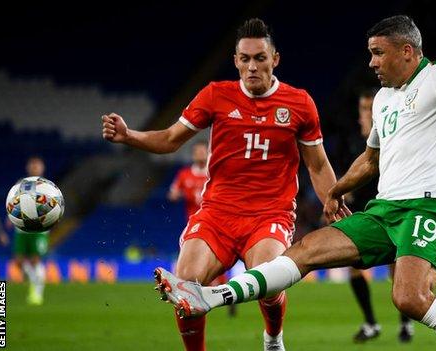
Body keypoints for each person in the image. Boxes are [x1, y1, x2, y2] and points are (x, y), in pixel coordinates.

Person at [154, 15, 436, 351]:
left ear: (406, 52)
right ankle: (211, 295)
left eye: (378, 52)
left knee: (409, 298)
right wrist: (335, 190)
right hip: (384, 211)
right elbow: (371, 158)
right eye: (370, 52)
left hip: (429, 208)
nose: (371, 62)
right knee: (305, 251)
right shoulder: (386, 102)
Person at [102, 18, 348, 351]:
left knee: (268, 278)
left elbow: (317, 164)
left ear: (275, 59)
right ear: (235, 61)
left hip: (270, 213)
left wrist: (331, 200)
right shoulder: (216, 95)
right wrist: (129, 135)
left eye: (260, 58)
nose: (252, 66)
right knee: (185, 284)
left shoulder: (299, 103)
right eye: (244, 59)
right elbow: (171, 138)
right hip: (218, 212)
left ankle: (273, 338)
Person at [347, 88, 414, 343]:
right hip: (364, 210)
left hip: (391, 206)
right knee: (354, 267)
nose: (366, 114)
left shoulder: (393, 134)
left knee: (397, 269)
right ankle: (371, 323)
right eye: (363, 109)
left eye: (369, 108)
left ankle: (406, 324)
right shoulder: (354, 141)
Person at [167, 140, 237, 317]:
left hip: (216, 224)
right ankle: (196, 297)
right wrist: (175, 194)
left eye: (202, 151)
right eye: (196, 151)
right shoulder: (184, 175)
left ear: (208, 154)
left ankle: (223, 294)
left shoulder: (214, 173)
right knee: (193, 266)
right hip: (194, 226)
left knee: (217, 262)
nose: (199, 154)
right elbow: (173, 193)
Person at [14, 157, 49, 305]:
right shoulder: (20, 184)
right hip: (22, 229)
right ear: (28, 168)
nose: (34, 168)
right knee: (19, 261)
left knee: (35, 260)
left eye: (37, 166)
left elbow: (53, 207)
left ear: (42, 168)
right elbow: (13, 204)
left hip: (39, 230)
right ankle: (33, 283)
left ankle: (37, 293)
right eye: (32, 165)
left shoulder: (47, 187)